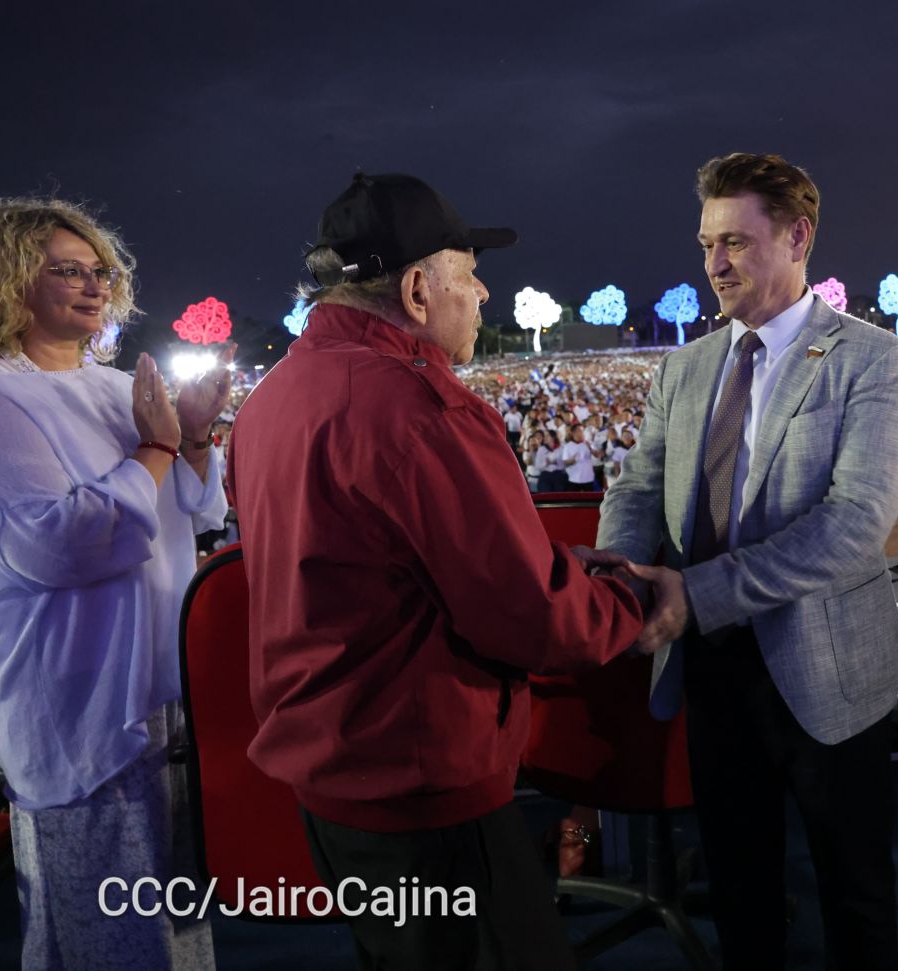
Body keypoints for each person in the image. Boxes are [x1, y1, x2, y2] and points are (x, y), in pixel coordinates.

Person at [227, 173, 650, 971]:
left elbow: (376, 563)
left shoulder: (272, 397)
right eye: (470, 273)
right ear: (418, 290)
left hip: (335, 780)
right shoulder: (418, 409)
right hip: (423, 790)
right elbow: (535, 619)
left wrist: (550, 565)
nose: (483, 293)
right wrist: (631, 600)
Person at [592, 153, 898, 970]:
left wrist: (696, 593)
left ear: (798, 237)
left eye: (735, 242)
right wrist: (619, 577)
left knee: (856, 897)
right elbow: (638, 488)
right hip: (711, 665)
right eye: (707, 244)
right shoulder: (685, 367)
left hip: (828, 672)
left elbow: (853, 526)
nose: (714, 264)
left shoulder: (875, 360)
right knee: (741, 893)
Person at [0, 196, 232, 968]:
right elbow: (56, 546)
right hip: (73, 692)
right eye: (68, 270)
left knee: (175, 928)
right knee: (102, 928)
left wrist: (194, 439)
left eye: (102, 272)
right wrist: (156, 449)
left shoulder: (119, 389)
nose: (93, 286)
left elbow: (194, 513)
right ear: (9, 279)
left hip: (159, 687)